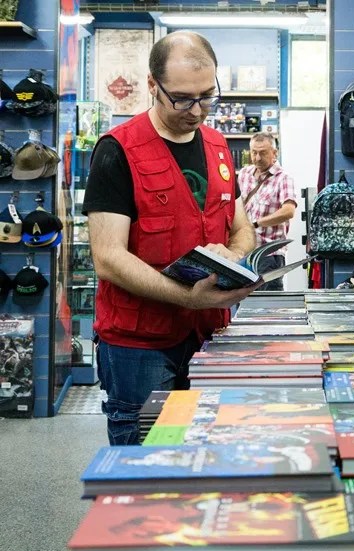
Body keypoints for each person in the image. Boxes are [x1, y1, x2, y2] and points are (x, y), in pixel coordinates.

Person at [83, 31, 257, 446]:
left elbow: (242, 227)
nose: (196, 111)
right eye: (181, 98)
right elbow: (107, 257)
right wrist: (186, 297)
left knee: (204, 454)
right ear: (151, 85)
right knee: (146, 464)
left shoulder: (218, 146)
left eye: (206, 96)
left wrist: (230, 256)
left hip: (209, 335)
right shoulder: (117, 151)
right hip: (139, 345)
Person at [237, 132, 297, 291]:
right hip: (243, 253)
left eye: (263, 153)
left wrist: (256, 224)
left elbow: (288, 211)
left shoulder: (284, 178)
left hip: (268, 255)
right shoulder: (244, 174)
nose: (257, 158)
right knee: (242, 302)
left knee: (268, 308)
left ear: (274, 153)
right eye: (254, 152)